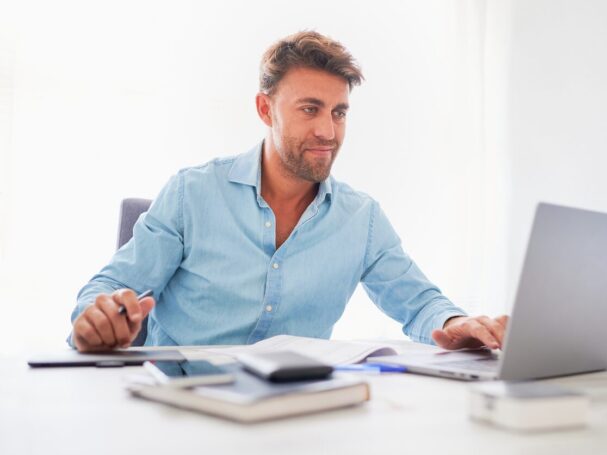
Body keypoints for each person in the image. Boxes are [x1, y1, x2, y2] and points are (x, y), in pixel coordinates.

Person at [69, 31, 508, 353]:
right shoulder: (192, 193)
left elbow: (421, 303)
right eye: (309, 109)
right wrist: (96, 318)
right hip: (179, 408)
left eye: (339, 112)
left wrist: (458, 322)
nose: (328, 131)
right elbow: (111, 286)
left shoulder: (362, 219)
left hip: (291, 414)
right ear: (265, 109)